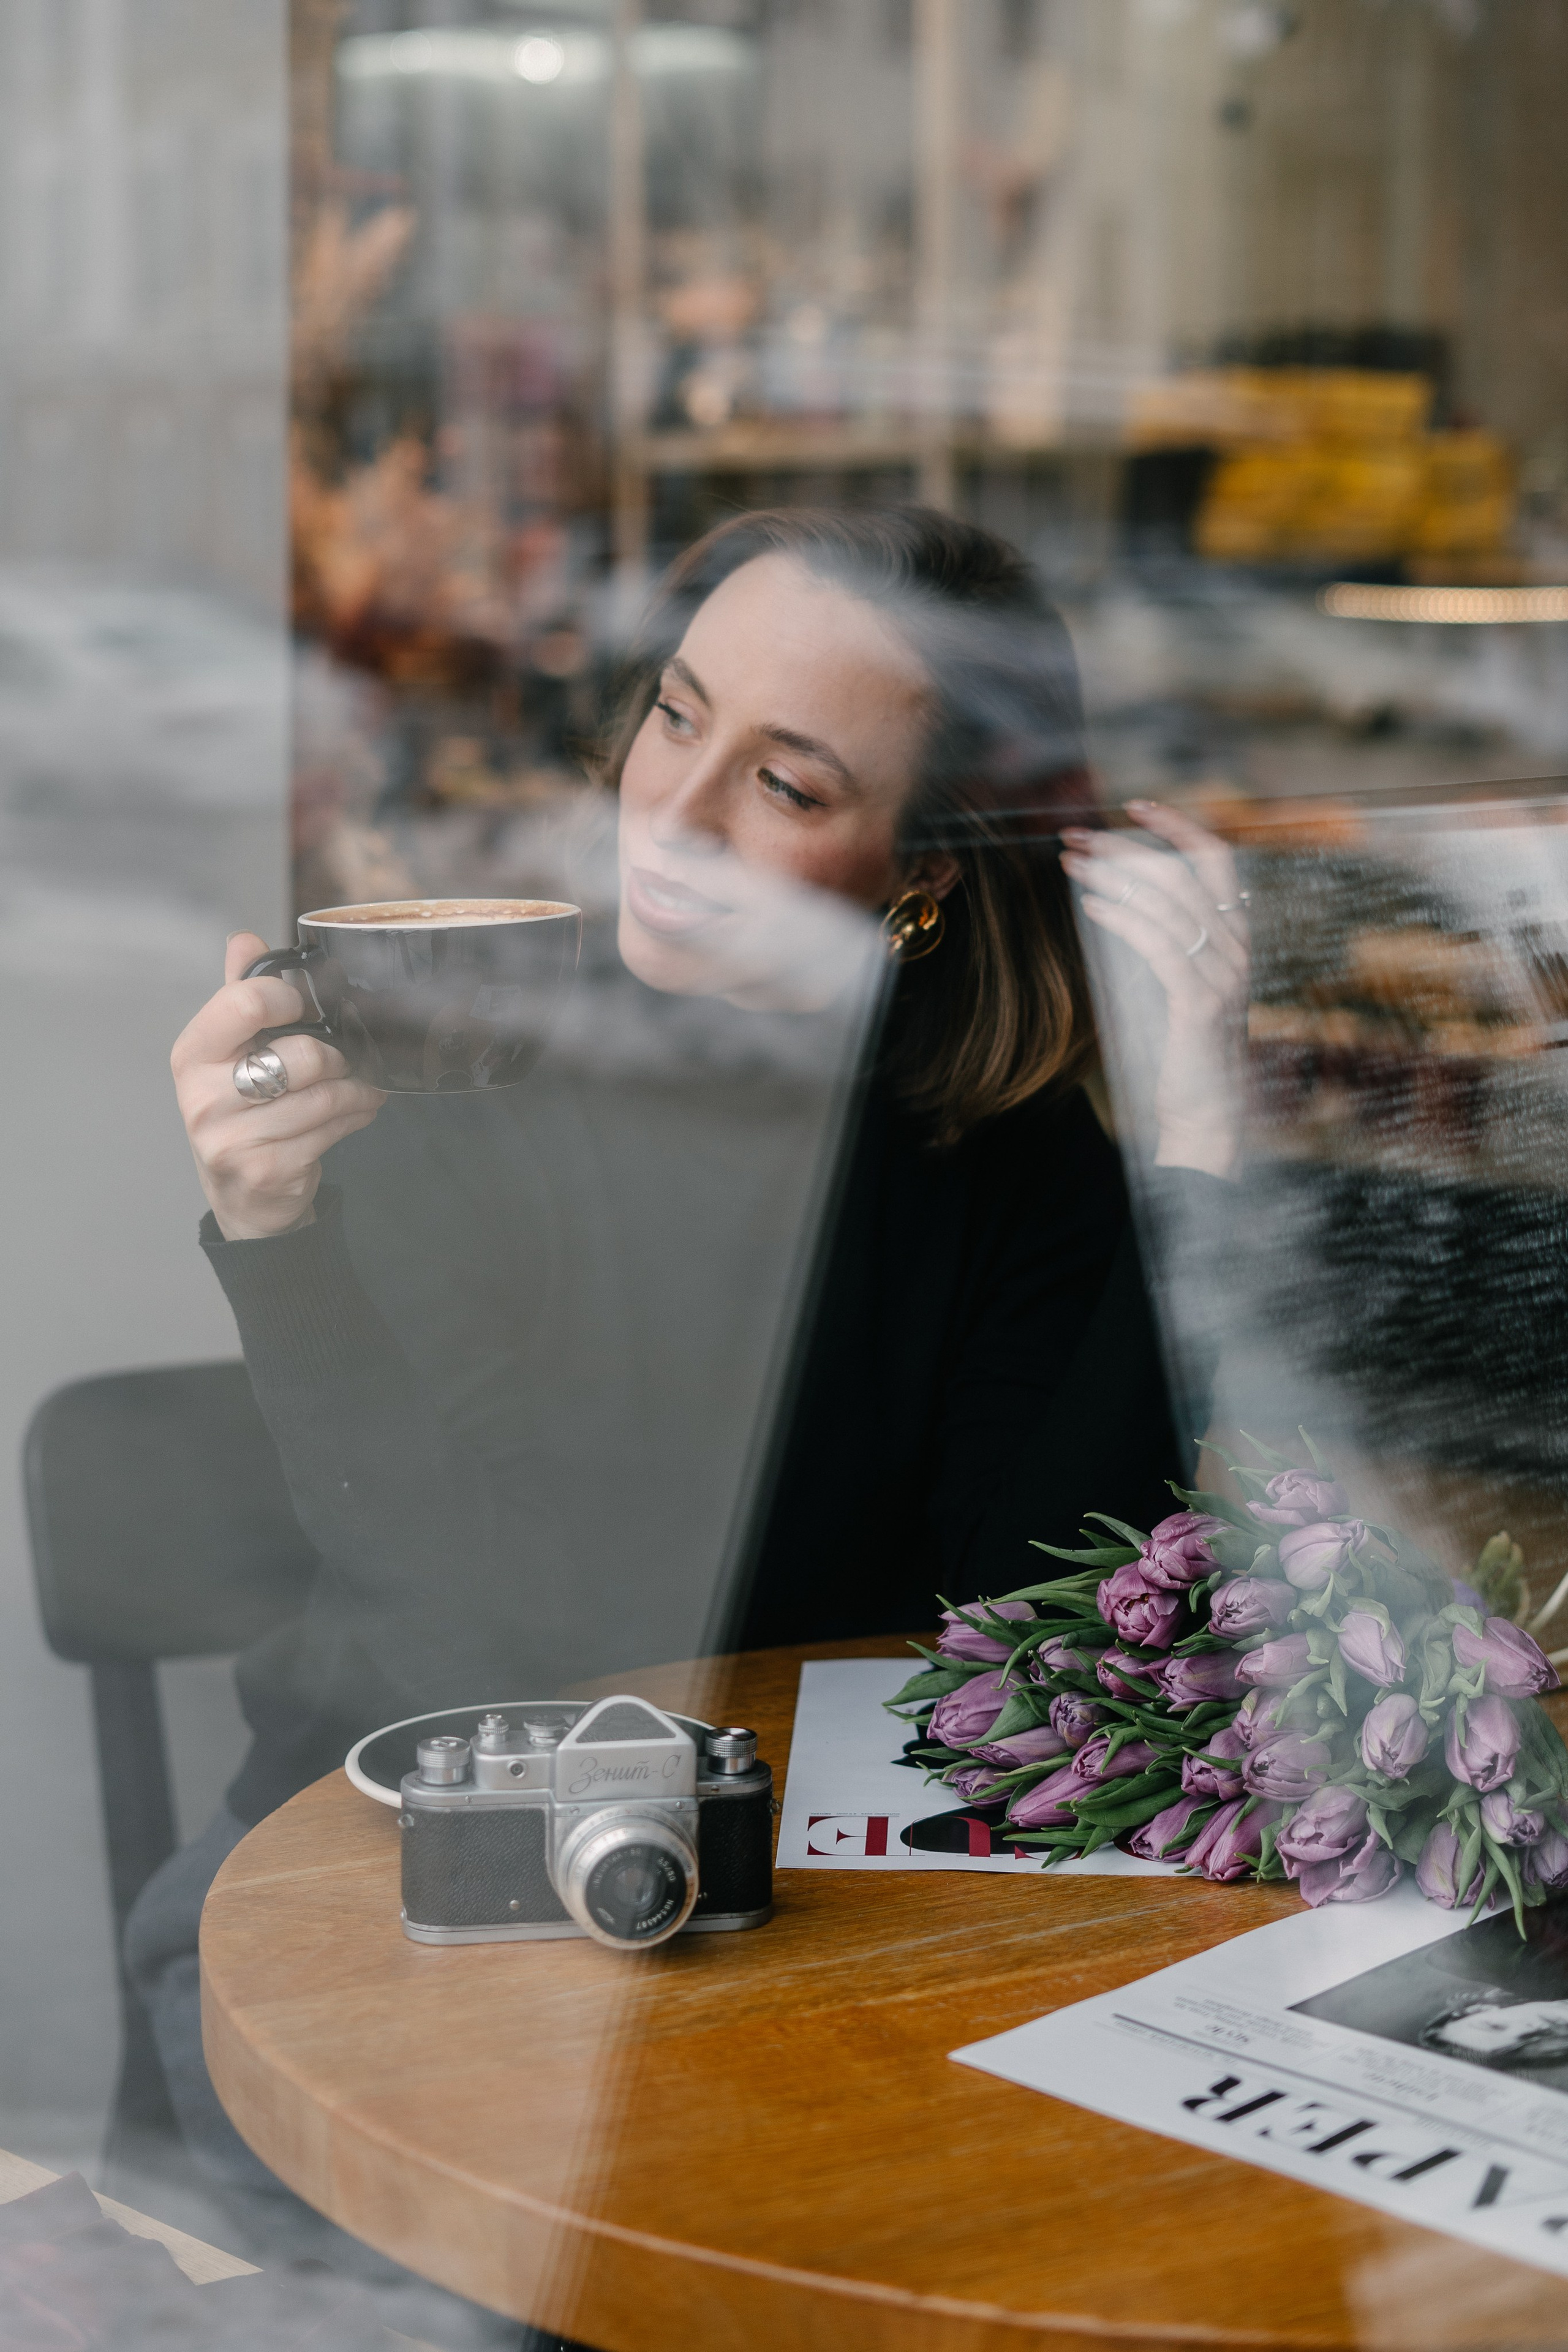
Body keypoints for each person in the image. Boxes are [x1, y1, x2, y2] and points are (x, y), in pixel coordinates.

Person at [137, 507, 1248, 2269]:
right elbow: (465, 1628)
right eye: (676, 714)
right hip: (392, 1894)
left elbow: (1048, 1649)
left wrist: (1190, 1156)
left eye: (788, 785)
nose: (670, 808)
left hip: (787, 1934)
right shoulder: (469, 1053)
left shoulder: (998, 1161)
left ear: (926, 867)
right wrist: (274, 1237)